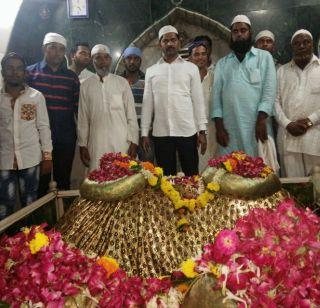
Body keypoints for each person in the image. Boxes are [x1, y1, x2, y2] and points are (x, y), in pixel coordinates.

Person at [141, 25, 207, 176]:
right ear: (160, 44)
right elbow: (147, 103)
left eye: (173, 40)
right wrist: (144, 132)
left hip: (187, 131)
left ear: (179, 42)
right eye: (166, 40)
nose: (170, 43)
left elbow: (198, 100)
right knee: (166, 178)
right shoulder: (151, 71)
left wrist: (202, 131)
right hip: (161, 132)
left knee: (191, 174)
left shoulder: (191, 68)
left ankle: (194, 200)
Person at [211, 15, 276, 157]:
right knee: (232, 172)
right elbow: (216, 97)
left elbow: (269, 91)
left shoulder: (264, 57)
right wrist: (219, 127)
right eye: (235, 31)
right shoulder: (222, 64)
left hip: (257, 125)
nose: (239, 34)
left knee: (261, 172)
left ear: (250, 33)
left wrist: (261, 120)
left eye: (243, 30)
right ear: (231, 35)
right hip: (230, 129)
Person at [0, 52, 52, 220]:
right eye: (10, 68)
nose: (14, 72)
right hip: (4, 160)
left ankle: (29, 242)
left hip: (30, 159)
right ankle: (4, 243)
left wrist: (47, 157)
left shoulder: (36, 97)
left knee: (30, 203)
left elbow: (43, 127)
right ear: (3, 72)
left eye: (19, 69)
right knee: (3, 204)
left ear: (25, 72)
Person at [27, 32, 79, 195]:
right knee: (40, 184)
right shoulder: (30, 73)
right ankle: (43, 220)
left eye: (61, 49)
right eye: (53, 48)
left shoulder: (72, 78)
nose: (57, 52)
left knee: (63, 181)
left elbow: (78, 109)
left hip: (65, 137)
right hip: (37, 139)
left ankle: (65, 219)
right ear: (44, 49)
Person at [78, 44, 139, 171]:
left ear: (110, 60)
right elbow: (83, 118)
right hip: (96, 143)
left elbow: (131, 115)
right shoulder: (85, 86)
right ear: (92, 60)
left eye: (106, 57)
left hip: (122, 142)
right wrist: (83, 144)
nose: (102, 62)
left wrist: (134, 141)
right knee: (99, 178)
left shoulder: (122, 83)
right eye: (98, 58)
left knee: (124, 178)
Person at [275, 30, 320, 177]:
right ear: (292, 47)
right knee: (293, 189)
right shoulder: (282, 71)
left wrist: (310, 121)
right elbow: (274, 102)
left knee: (317, 189)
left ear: (312, 44)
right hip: (288, 138)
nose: (302, 46)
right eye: (297, 43)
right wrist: (287, 124)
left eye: (306, 42)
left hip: (314, 140)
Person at [121, 46, 154, 162]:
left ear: (140, 61)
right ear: (124, 60)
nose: (132, 62)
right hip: (124, 135)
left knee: (148, 170)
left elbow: (153, 108)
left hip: (145, 134)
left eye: (136, 59)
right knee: (124, 169)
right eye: (129, 58)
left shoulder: (148, 81)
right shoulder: (117, 81)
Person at [188, 41, 217, 171]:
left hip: (213, 129)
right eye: (196, 54)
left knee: (214, 167)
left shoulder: (215, 77)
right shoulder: (185, 80)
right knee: (196, 168)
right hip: (192, 130)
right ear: (190, 58)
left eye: (203, 54)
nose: (200, 57)